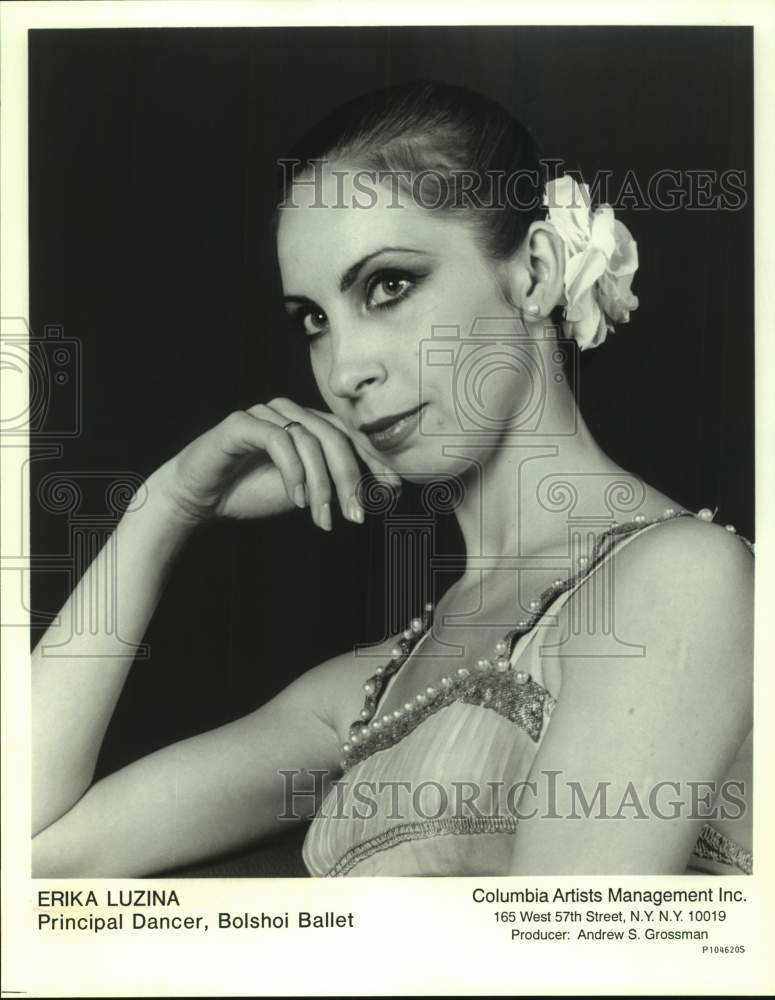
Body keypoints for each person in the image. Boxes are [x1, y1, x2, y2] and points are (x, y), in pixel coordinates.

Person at [31, 80, 754, 878]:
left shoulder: (677, 578)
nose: (344, 370)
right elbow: (28, 856)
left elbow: (563, 964)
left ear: (536, 272)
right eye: (314, 320)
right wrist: (164, 506)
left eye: (388, 285)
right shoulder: (365, 692)